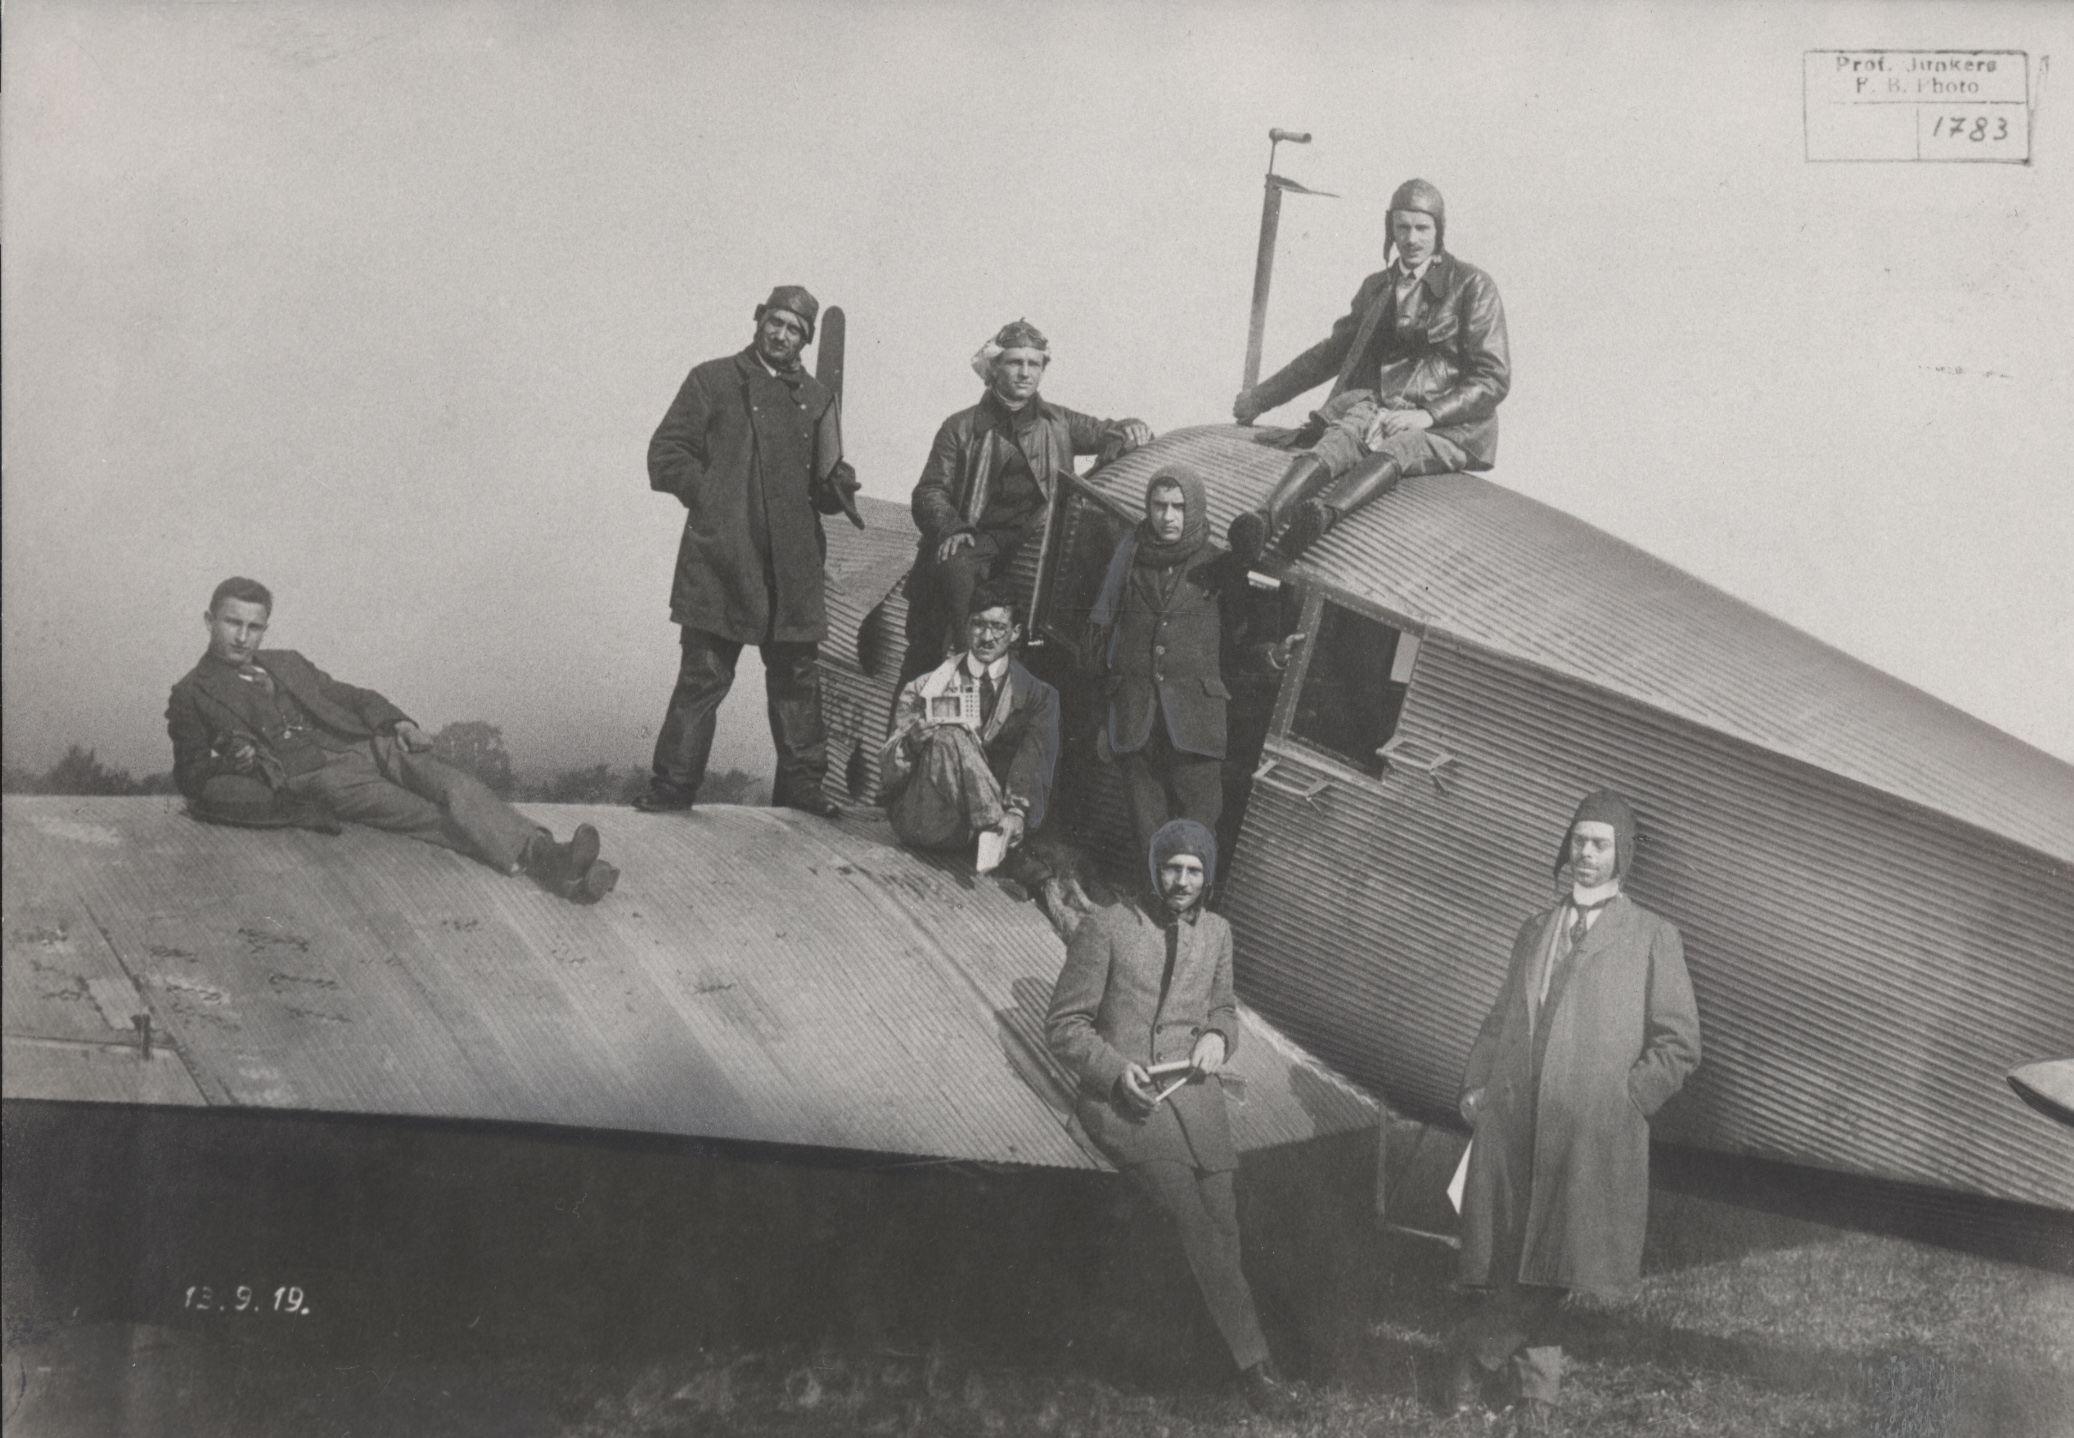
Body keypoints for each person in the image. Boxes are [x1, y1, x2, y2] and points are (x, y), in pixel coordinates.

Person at [1448, 791, 1701, 1427]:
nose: (1586, 855)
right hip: (1518, 1122)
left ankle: (1476, 1361)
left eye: (1600, 844)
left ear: (1623, 856)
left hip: (1589, 1132)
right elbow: (1502, 1015)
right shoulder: (1535, 928)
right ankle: (1535, 1400)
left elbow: (1679, 1043)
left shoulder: (1651, 935)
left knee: (1556, 1262)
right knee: (1526, 1258)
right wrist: (1477, 1085)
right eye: (1579, 841)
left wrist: (1626, 1103)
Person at [1044, 820, 1294, 1416]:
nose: (1181, 882)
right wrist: (1112, 1071)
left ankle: (1216, 1355)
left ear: (1207, 878)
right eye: (1171, 868)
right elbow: (1064, 1026)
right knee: (1192, 1216)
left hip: (1193, 1095)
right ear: (1154, 867)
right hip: (1126, 1101)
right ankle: (1255, 1368)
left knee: (1224, 1218)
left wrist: (1216, 1037)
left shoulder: (1219, 933)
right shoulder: (1106, 927)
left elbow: (1224, 1008)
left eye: (1194, 871)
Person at [166, 577, 617, 902]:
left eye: (254, 626)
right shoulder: (192, 693)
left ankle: (560, 867)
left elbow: (351, 696)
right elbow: (191, 774)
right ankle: (557, 864)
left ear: (266, 627)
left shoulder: (287, 662)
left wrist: (398, 723)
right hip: (321, 776)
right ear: (209, 621)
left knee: (456, 787)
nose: (243, 637)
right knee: (426, 815)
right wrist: (234, 761)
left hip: (369, 744)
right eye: (232, 623)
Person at [638, 285, 861, 817]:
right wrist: (714, 499)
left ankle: (803, 790)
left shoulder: (816, 397)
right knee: (704, 675)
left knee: (797, 682)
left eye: (795, 330)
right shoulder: (713, 379)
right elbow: (665, 453)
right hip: (724, 558)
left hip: (792, 565)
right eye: (776, 323)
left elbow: (823, 486)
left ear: (805, 340)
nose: (782, 335)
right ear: (759, 320)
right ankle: (672, 789)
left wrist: (838, 484)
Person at [1227, 177, 1510, 563]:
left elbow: (1493, 378)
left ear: (1439, 231)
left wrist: (1427, 415)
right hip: (1384, 409)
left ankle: (1321, 518)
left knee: (1402, 446)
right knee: (1341, 435)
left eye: (1422, 228)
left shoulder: (1473, 286)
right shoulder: (1378, 287)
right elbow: (1329, 355)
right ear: (1390, 229)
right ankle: (1262, 519)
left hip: (1452, 425)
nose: (1411, 239)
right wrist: (1259, 399)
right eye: (1402, 227)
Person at [902, 319, 1153, 682]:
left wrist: (1132, 425)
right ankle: (965, 673)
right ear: (994, 368)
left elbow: (1106, 431)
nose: (1024, 372)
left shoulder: (1058, 422)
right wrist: (951, 526)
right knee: (944, 600)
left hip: (1033, 548)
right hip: (975, 538)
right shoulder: (959, 427)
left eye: (1033, 364)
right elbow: (929, 491)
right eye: (1014, 362)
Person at [1087, 465, 1234, 861]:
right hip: (1136, 717)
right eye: (1159, 505)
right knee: (1146, 828)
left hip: (1196, 721)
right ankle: (1153, 905)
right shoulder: (1129, 559)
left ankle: (1190, 914)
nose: (1168, 517)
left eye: (1179, 507)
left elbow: (1241, 640)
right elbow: (1103, 640)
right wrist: (1107, 715)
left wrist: (1273, 656)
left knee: (1198, 828)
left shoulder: (1220, 565)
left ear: (1195, 509)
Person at [881, 586, 1059, 876]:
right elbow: (887, 774)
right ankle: (996, 830)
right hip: (927, 817)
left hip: (975, 833)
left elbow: (1033, 761)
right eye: (978, 625)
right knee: (948, 734)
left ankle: (998, 830)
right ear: (966, 626)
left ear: (1015, 633)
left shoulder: (1038, 697)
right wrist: (911, 744)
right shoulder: (923, 688)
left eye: (998, 627)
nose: (987, 637)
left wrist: (1016, 812)